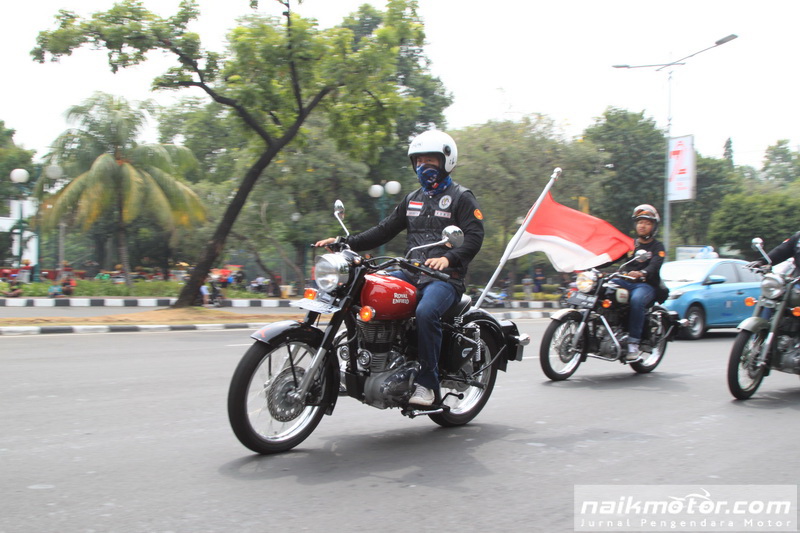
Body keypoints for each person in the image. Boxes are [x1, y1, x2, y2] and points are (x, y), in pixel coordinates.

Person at [315, 130, 485, 407]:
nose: (423, 166)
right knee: (365, 288)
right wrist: (344, 242)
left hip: (444, 279)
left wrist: (450, 258)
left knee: (426, 311)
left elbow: (475, 237)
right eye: (419, 161)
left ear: (446, 160)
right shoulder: (412, 199)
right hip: (411, 271)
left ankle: (428, 384)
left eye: (430, 159)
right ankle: (365, 361)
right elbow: (384, 231)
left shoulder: (461, 197)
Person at [614, 204, 665, 361]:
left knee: (637, 300)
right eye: (640, 222)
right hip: (626, 282)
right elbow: (613, 257)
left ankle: (633, 344)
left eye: (647, 223)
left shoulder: (658, 247)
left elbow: (655, 265)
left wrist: (642, 273)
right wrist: (591, 264)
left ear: (653, 227)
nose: (642, 226)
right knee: (602, 287)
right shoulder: (630, 244)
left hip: (646, 285)